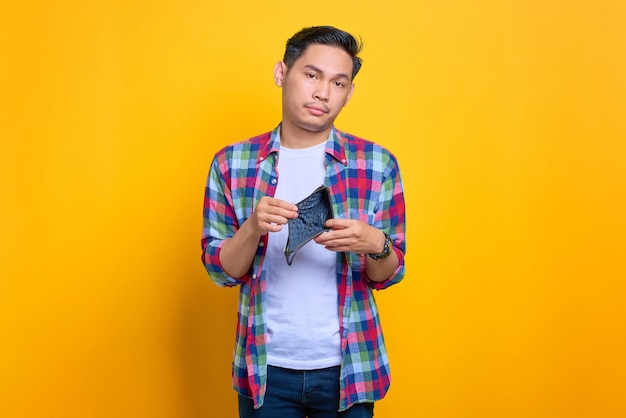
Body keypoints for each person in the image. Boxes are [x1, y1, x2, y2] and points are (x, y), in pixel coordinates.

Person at [201, 26, 407, 418]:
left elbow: (388, 273)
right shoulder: (232, 164)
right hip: (265, 367)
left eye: (338, 82)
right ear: (282, 73)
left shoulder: (378, 164)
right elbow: (221, 272)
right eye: (311, 75)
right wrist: (252, 228)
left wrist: (375, 243)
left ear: (349, 93)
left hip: (349, 367)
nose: (322, 92)